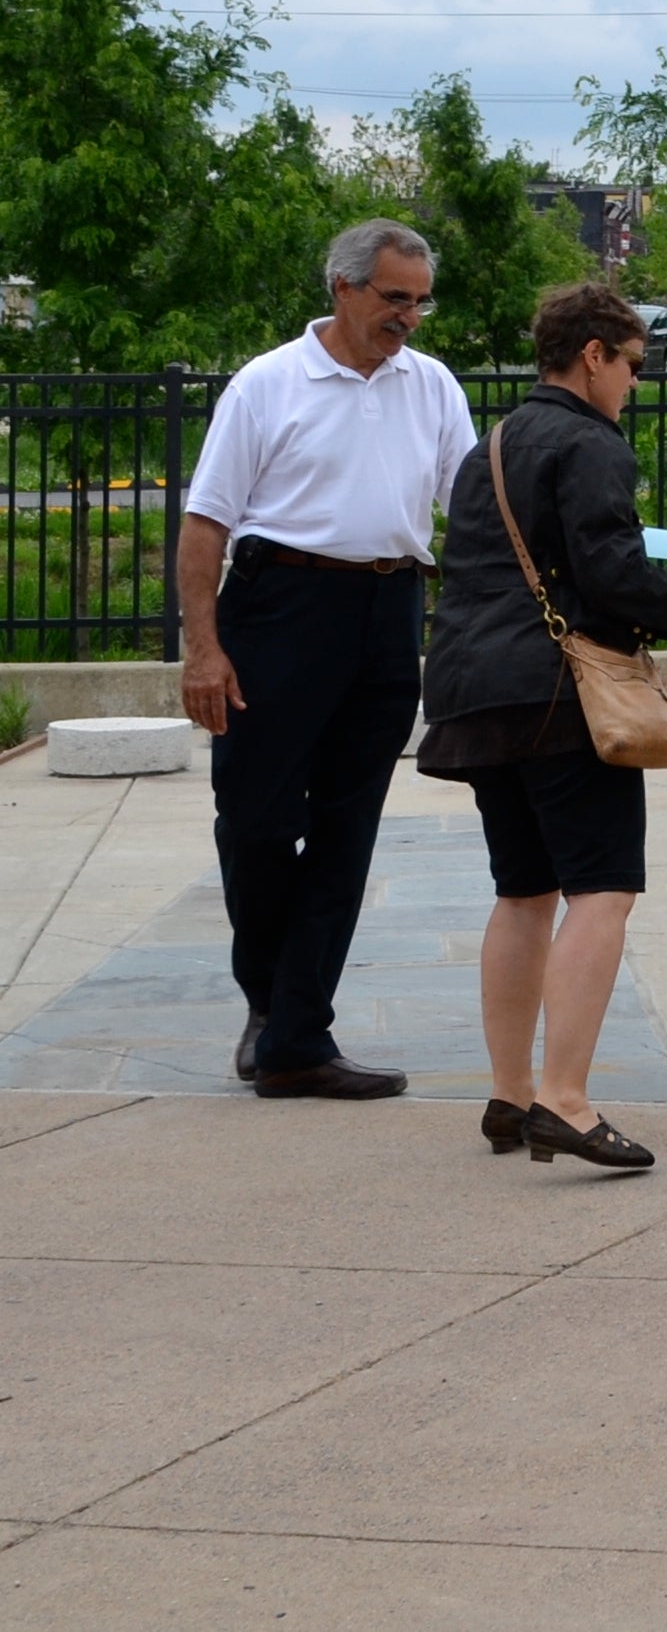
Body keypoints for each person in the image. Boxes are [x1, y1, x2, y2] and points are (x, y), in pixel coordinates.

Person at [418, 283, 667, 1170]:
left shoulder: (497, 440)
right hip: (560, 696)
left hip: (472, 689)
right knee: (602, 888)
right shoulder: (590, 442)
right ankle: (567, 1100)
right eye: (632, 364)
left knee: (522, 892)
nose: (634, 382)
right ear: (593, 354)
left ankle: (510, 1096)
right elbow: (611, 576)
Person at [178, 219, 479, 1100]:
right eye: (395, 298)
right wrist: (205, 650)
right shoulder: (268, 384)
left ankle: (298, 1037)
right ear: (342, 288)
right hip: (280, 611)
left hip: (387, 612)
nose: (410, 319)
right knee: (257, 823)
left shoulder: (432, 386)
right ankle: (269, 1007)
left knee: (348, 832)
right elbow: (206, 526)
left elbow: (471, 508)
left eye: (421, 301)